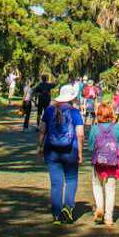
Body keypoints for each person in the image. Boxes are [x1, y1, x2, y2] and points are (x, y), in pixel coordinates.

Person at [38, 85, 84, 224]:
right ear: (72, 97)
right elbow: (80, 134)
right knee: (71, 179)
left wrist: (39, 146)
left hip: (51, 151)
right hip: (71, 150)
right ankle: (68, 207)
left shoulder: (49, 111)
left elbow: (42, 130)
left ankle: (56, 215)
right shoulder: (75, 113)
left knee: (56, 183)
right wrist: (80, 153)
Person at [88, 102, 119, 226]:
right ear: (111, 114)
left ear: (98, 114)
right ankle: (108, 217)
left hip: (98, 163)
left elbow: (90, 147)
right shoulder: (118, 128)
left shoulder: (94, 128)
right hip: (113, 163)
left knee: (97, 185)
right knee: (110, 189)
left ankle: (100, 207)